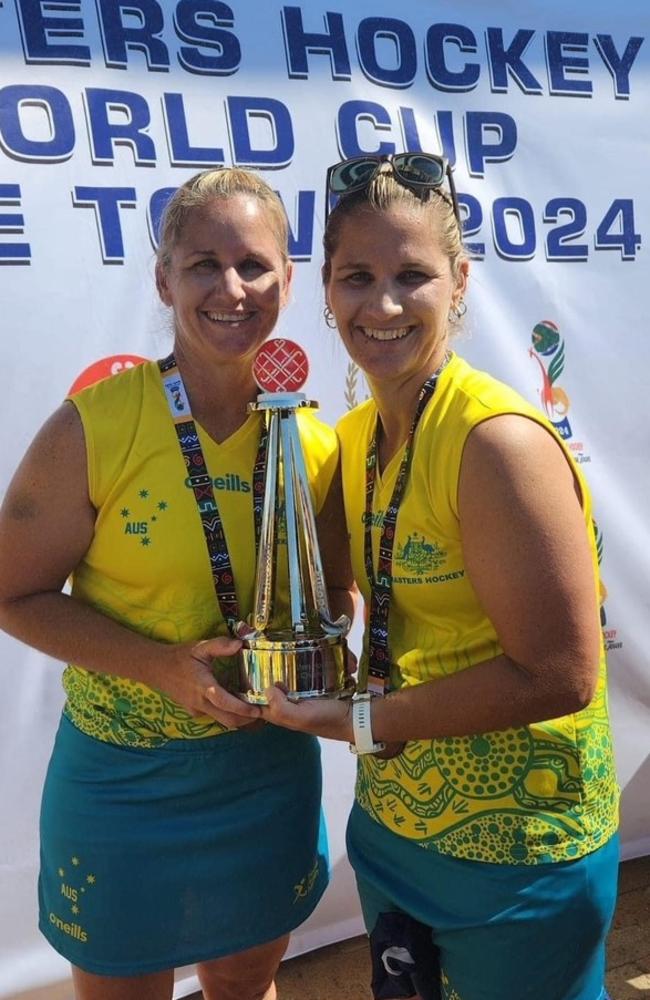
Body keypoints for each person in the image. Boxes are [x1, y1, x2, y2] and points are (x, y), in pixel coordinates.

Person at [258, 154, 619, 1000]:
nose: (381, 306)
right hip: (394, 828)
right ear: (326, 288)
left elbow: (563, 673)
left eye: (412, 276)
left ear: (459, 282)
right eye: (357, 277)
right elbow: (338, 598)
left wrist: (359, 719)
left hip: (520, 850)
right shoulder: (350, 437)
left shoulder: (497, 442)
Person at [0, 167, 355, 1000]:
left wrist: (335, 656)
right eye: (203, 264)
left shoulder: (313, 438)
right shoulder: (98, 421)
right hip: (123, 783)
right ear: (164, 279)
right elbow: (11, 592)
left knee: (244, 983)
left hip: (264, 775)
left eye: (255, 265)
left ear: (288, 280)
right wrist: (164, 668)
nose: (232, 289)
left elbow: (335, 600)